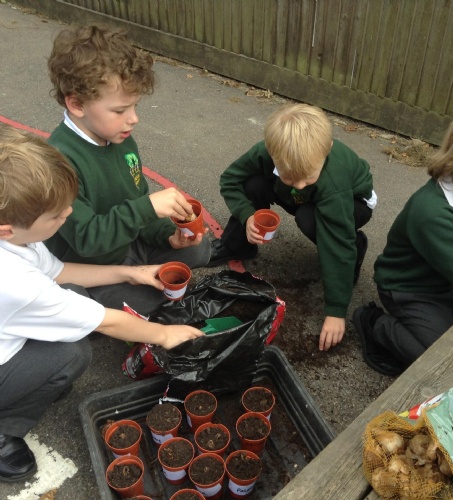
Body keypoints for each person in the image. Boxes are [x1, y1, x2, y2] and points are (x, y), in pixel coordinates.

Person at [0, 125, 205, 483]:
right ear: (7, 229)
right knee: (71, 354)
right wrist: (165, 334)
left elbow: (59, 271)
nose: (68, 214)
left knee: (73, 301)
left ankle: (29, 381)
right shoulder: (15, 280)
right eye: (56, 215)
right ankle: (6, 427)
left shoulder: (16, 239)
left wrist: (129, 273)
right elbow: (106, 321)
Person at [45, 24, 210, 315]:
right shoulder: (59, 163)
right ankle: (102, 301)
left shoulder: (119, 138)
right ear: (77, 104)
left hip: (127, 244)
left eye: (134, 106)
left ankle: (140, 275)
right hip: (93, 266)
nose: (133, 119)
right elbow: (87, 240)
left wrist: (168, 236)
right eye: (120, 110)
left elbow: (137, 201)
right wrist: (146, 208)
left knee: (199, 249)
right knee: (150, 302)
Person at [209, 103, 377, 351]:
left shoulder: (333, 182)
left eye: (307, 177)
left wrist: (336, 311)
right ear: (271, 152)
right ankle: (237, 245)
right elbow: (231, 179)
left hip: (352, 204)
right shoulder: (267, 152)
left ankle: (357, 245)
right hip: (306, 197)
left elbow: (337, 245)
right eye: (289, 177)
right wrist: (248, 216)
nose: (298, 185)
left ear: (327, 150)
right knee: (253, 184)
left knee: (310, 219)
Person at [353, 99, 453, 377]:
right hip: (412, 290)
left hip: (450, 280)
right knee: (443, 360)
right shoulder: (433, 212)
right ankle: (376, 325)